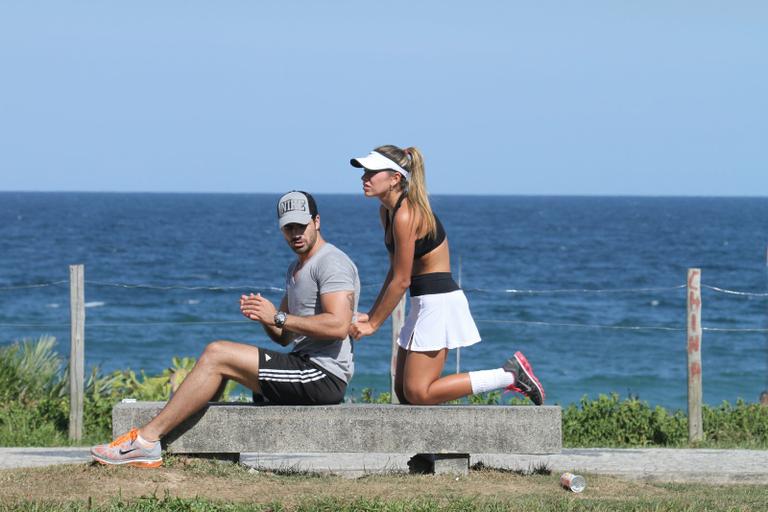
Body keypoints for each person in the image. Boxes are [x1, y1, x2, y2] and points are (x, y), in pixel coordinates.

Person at [91, 191, 360, 467]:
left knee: (217, 353)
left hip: (322, 375)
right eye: (288, 227)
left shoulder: (331, 263)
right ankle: (186, 445)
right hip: (302, 365)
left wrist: (278, 317)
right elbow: (284, 338)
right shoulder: (296, 268)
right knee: (218, 360)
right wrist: (265, 317)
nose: (295, 234)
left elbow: (338, 326)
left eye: (301, 226)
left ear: (316, 222)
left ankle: (146, 441)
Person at [348, 145, 545, 406]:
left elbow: (402, 281)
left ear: (395, 178)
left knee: (420, 393)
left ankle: (509, 375)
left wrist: (374, 324)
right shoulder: (387, 212)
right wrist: (371, 314)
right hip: (423, 303)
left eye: (371, 172)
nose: (364, 177)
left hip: (438, 302)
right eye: (364, 171)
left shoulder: (406, 215)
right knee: (404, 392)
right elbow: (396, 271)